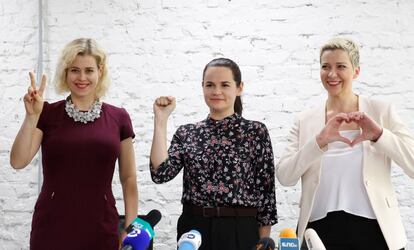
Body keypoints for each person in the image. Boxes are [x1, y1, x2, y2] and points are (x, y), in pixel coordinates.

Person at [276, 37, 414, 250]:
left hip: (377, 230)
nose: (332, 74)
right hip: (319, 231)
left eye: (341, 66)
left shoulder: (381, 111)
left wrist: (379, 135)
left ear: (356, 71)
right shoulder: (305, 120)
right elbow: (285, 176)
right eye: (325, 67)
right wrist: (319, 142)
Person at [10, 38, 138, 249]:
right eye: (74, 70)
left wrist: (130, 226)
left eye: (89, 70)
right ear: (66, 73)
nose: (82, 77)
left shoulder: (119, 117)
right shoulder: (47, 113)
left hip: (101, 226)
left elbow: (129, 177)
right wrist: (31, 116)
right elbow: (18, 161)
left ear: (100, 71)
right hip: (52, 226)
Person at [149, 58, 277, 250]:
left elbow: (266, 195)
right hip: (194, 229)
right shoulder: (187, 133)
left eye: (225, 85)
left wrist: (263, 243)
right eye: (210, 85)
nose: (216, 91)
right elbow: (160, 174)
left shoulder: (255, 131)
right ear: (202, 87)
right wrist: (161, 120)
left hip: (240, 230)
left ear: (239, 87)